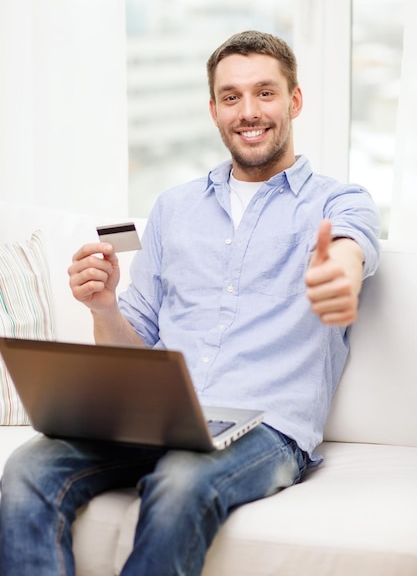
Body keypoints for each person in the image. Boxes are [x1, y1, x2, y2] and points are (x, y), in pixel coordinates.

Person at [0, 30, 380, 575]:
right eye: (231, 97)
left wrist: (337, 276)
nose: (248, 111)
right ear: (213, 110)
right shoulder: (173, 209)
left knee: (180, 479)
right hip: (156, 418)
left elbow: (349, 251)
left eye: (265, 93)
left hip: (265, 430)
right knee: (29, 466)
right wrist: (104, 307)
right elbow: (133, 347)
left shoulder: (340, 200)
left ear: (294, 100)